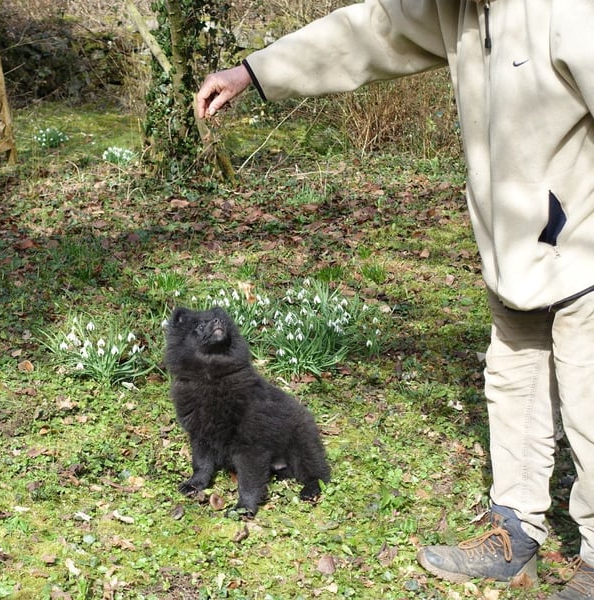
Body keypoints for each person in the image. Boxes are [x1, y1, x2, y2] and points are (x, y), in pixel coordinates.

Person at [195, 2, 594, 598]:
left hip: (583, 247)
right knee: (514, 381)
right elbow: (368, 31)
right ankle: (515, 531)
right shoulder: (457, 9)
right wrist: (254, 72)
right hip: (513, 252)